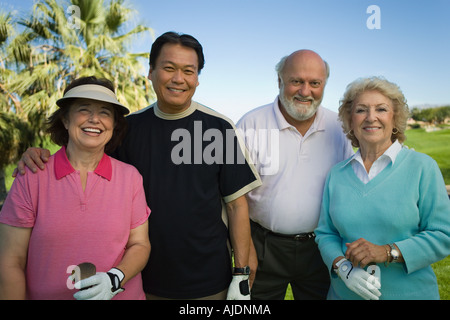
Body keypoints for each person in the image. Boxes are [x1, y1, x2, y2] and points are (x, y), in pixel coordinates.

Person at [14, 32, 261, 300]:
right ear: (151, 72)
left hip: (210, 281)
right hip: (140, 280)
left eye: (188, 71)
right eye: (168, 68)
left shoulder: (219, 129)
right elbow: (82, 154)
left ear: (197, 78)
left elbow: (237, 205)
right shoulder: (128, 129)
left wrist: (241, 273)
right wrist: (36, 154)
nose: (178, 78)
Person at [0, 76, 151, 300]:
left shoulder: (130, 177)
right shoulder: (31, 175)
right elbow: (10, 261)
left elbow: (140, 244)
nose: (94, 119)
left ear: (114, 125)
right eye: (83, 109)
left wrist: (114, 278)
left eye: (105, 112)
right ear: (65, 120)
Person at [315, 76, 450, 300]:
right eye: (361, 110)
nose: (371, 117)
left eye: (381, 109)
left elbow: (443, 234)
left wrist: (388, 252)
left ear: (395, 118)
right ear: (350, 120)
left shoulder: (422, 168)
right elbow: (325, 233)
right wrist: (342, 268)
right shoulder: (336, 175)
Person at [236, 50, 354, 300]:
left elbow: (350, 189)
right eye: (296, 81)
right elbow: (234, 198)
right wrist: (245, 250)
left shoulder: (340, 127)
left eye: (315, 83)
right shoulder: (249, 124)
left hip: (322, 248)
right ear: (280, 81)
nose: (305, 91)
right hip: (262, 246)